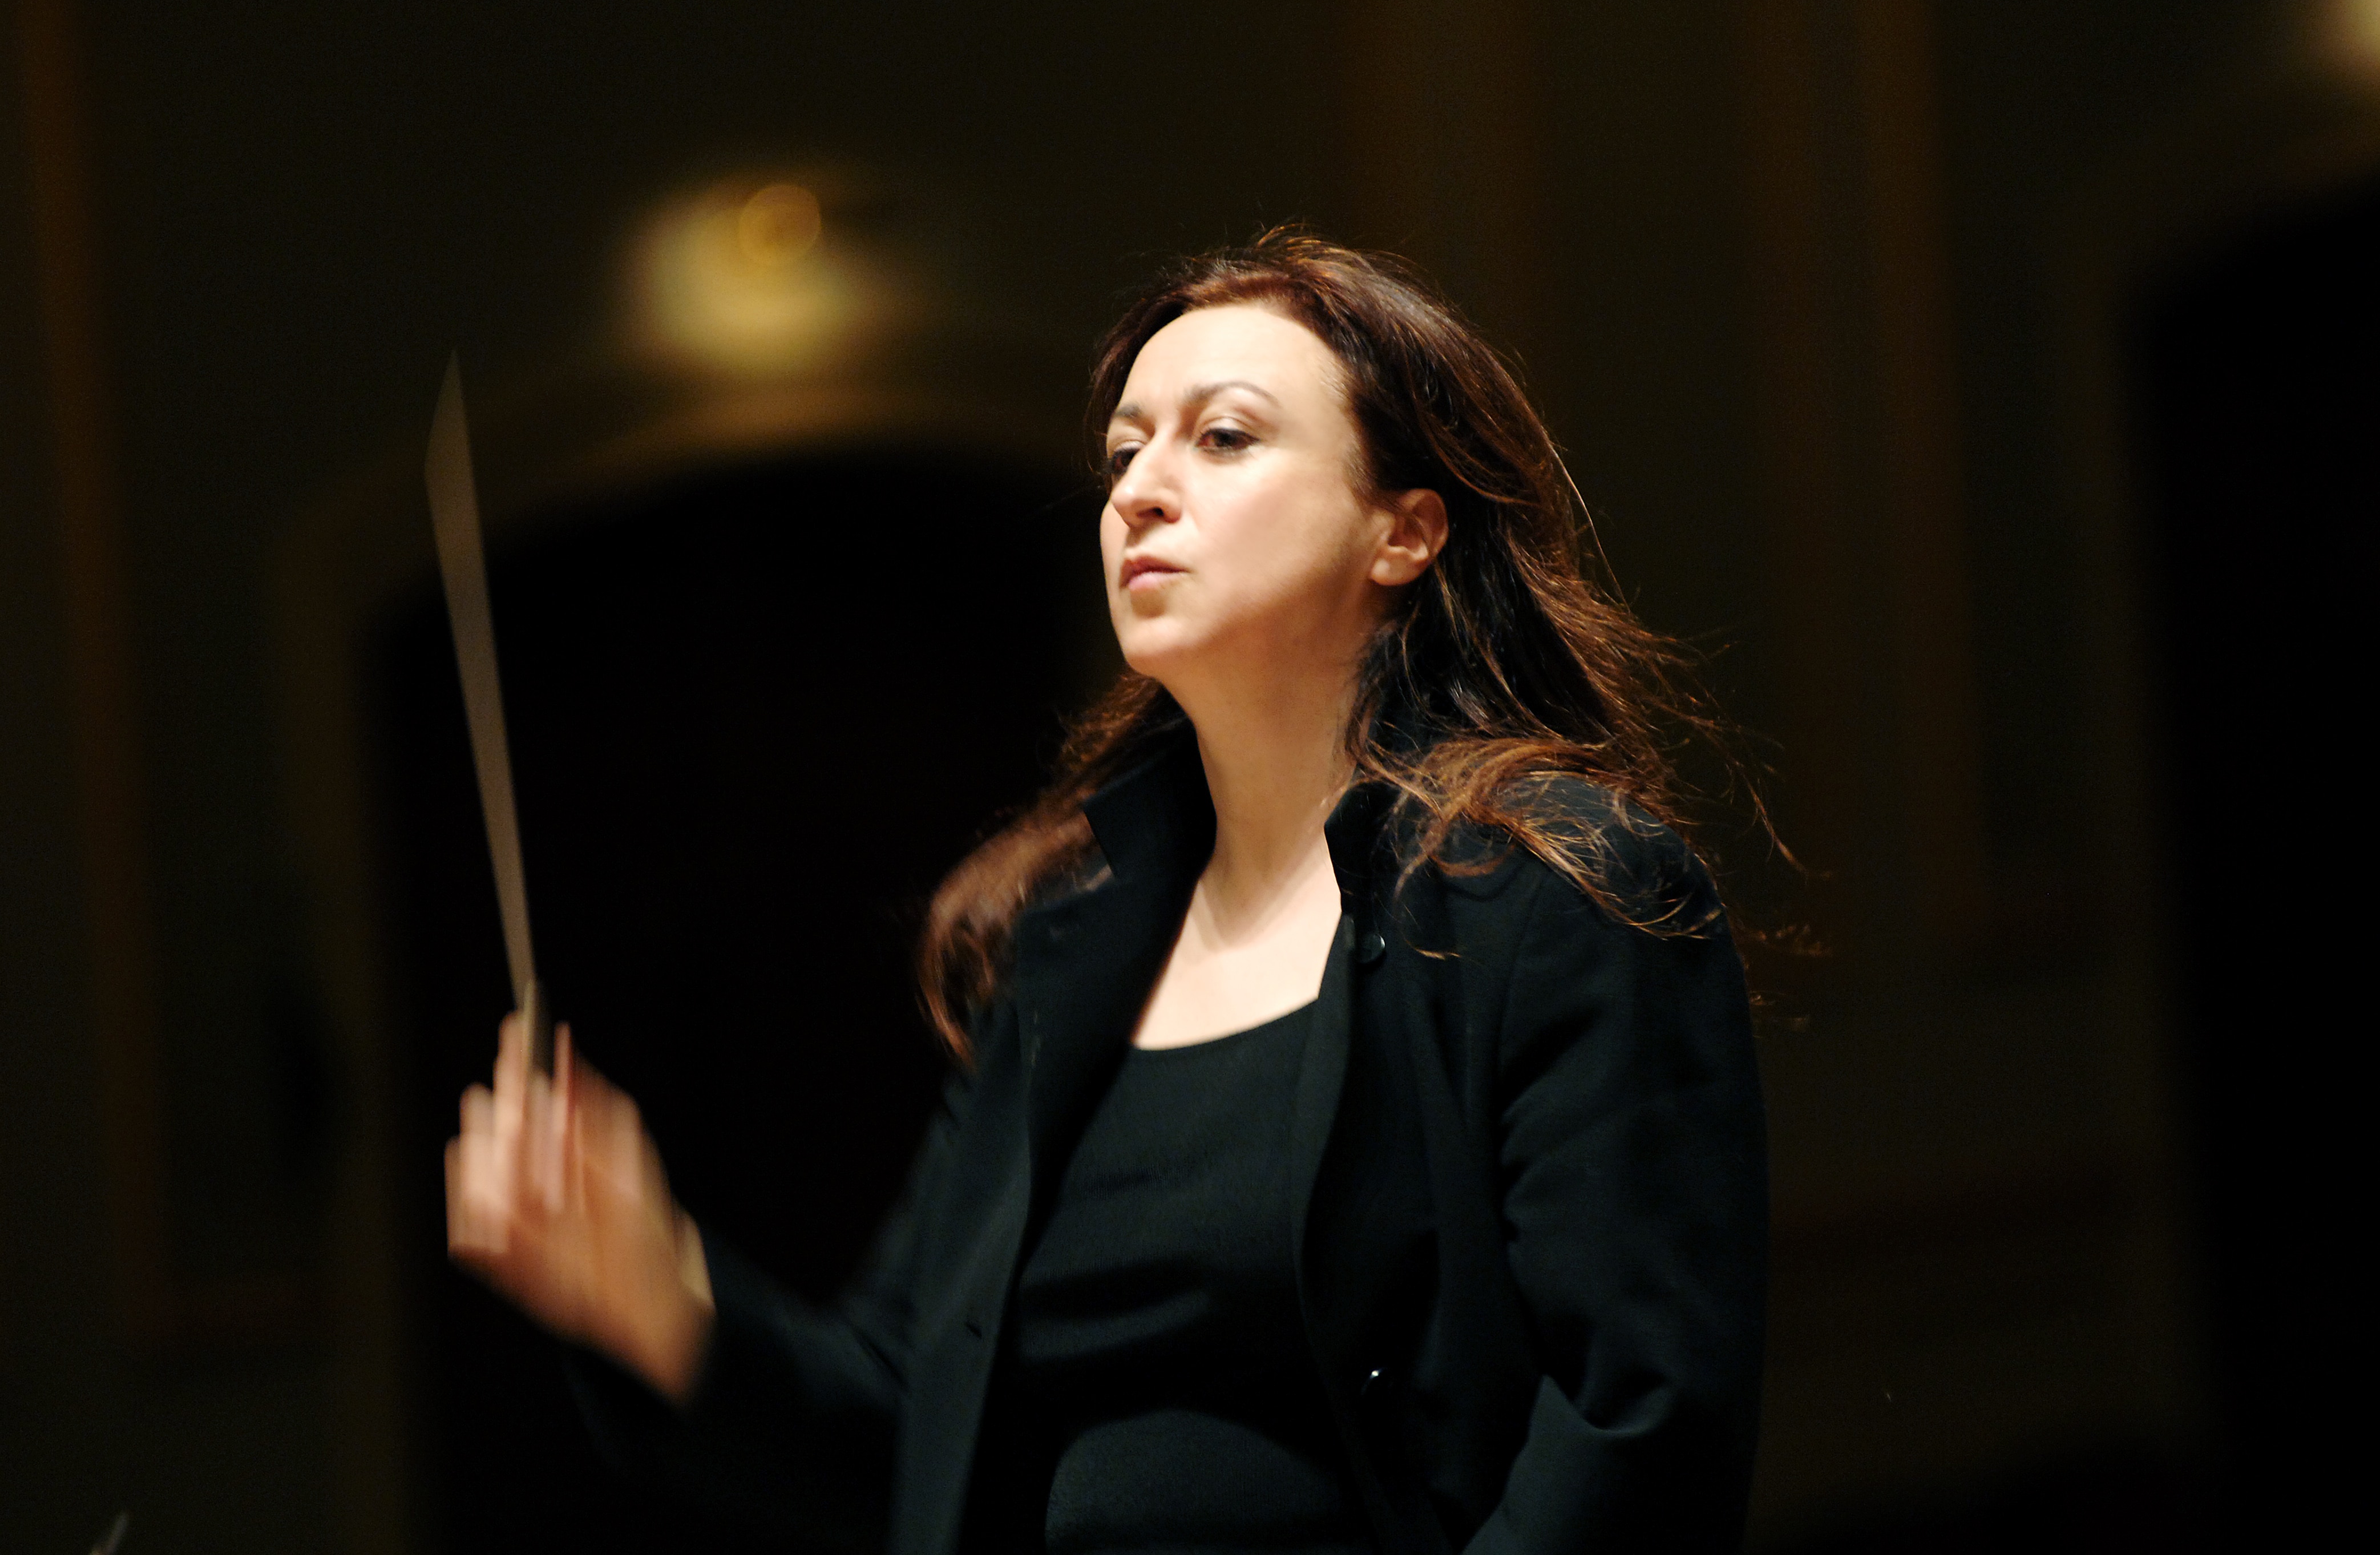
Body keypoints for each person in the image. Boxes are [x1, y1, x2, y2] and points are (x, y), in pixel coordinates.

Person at [445, 232, 1769, 1555]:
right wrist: (655, 1299)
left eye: (1224, 438)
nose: (1140, 488)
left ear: (1403, 531)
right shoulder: (1062, 944)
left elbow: (1633, 1432)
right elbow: (914, 1435)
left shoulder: (1555, 897)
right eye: (1125, 451)